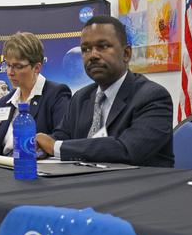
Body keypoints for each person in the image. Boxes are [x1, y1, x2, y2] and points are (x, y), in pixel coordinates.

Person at [34, 15, 174, 167]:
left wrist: (55, 147)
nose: (93, 55)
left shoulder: (153, 97)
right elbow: (61, 137)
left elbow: (128, 150)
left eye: (103, 46)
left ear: (126, 54)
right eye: (85, 49)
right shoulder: (80, 98)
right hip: (84, 184)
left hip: (138, 186)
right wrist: (41, 147)